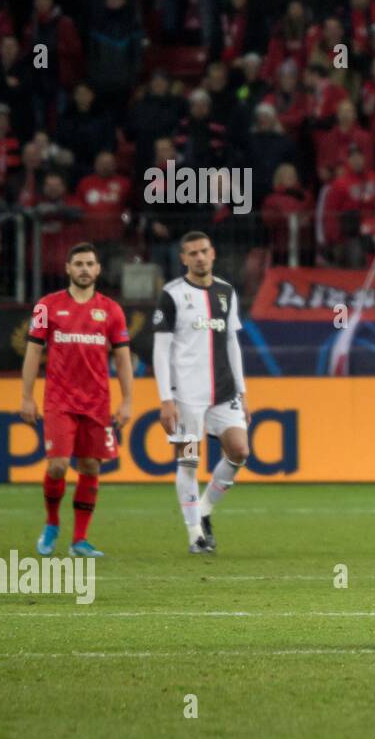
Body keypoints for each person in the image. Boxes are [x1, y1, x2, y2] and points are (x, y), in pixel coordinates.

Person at [21, 242, 133, 558]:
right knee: (57, 466)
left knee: (89, 467)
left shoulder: (111, 310)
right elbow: (33, 352)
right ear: (68, 268)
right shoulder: (48, 306)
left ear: (98, 270)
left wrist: (127, 401)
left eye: (90, 264)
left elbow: (123, 359)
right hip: (59, 401)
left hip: (97, 402)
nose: (84, 269)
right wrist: (26, 396)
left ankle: (79, 540)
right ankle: (52, 522)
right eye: (78, 264)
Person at [153, 231, 251, 554]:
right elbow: (161, 349)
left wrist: (243, 390)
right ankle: (195, 532)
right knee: (189, 462)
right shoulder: (172, 295)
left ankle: (205, 510)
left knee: (239, 450)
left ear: (213, 254)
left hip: (224, 391)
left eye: (203, 251)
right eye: (192, 253)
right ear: (183, 258)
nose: (199, 257)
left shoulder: (225, 291)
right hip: (186, 396)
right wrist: (166, 398)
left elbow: (232, 343)